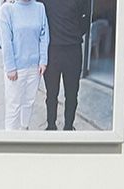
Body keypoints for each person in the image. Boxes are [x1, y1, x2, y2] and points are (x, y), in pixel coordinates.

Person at [0, 0, 49, 130]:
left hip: (35, 68)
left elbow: (44, 35)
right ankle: (10, 141)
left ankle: (24, 129)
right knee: (13, 106)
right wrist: (10, 67)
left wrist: (43, 60)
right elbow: (6, 41)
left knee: (29, 102)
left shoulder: (39, 8)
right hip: (16, 69)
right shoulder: (7, 10)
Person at [40, 0, 90, 130]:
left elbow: (86, 19)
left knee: (72, 94)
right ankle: (51, 126)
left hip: (73, 51)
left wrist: (73, 35)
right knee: (51, 94)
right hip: (52, 52)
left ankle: (68, 126)